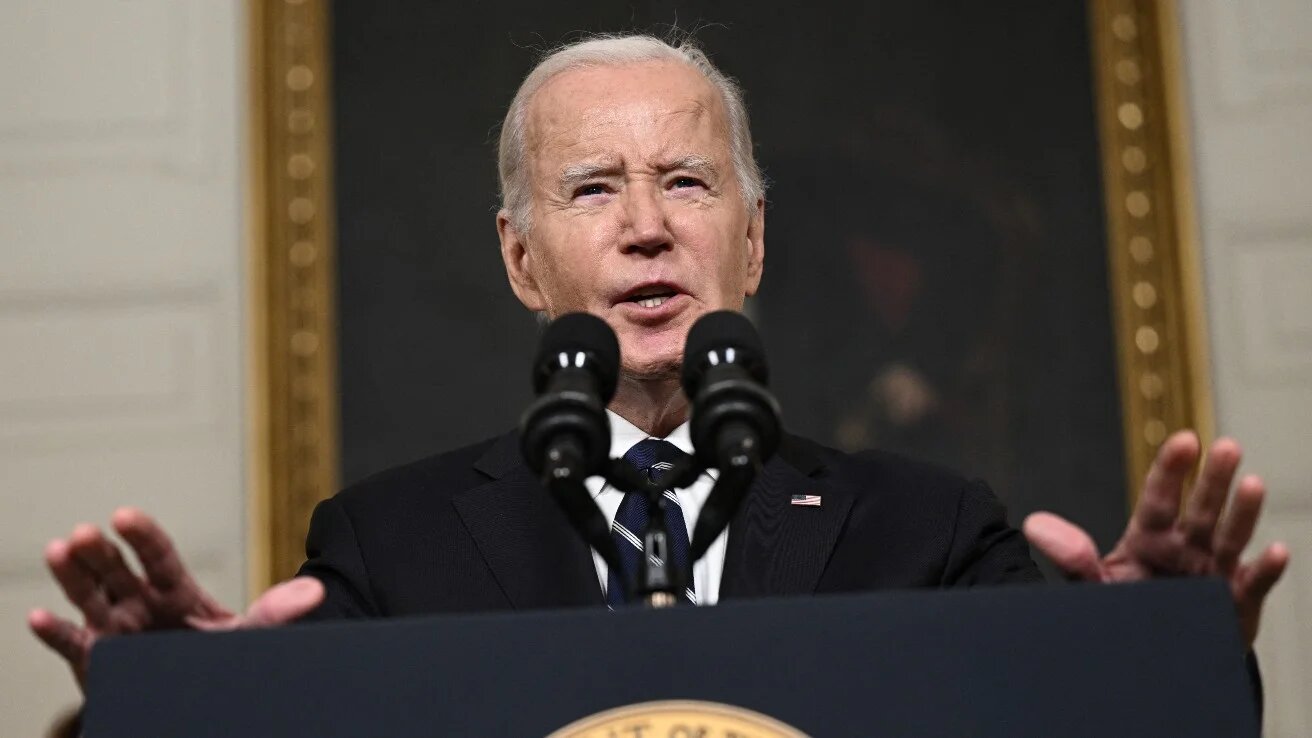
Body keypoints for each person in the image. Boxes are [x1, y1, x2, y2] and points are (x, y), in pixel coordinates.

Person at [29, 34, 1288, 697]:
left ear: (750, 239)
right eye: (591, 189)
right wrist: (181, 705)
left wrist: (1165, 651)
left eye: (687, 182)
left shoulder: (932, 531)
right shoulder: (385, 548)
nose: (646, 224)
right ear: (523, 264)